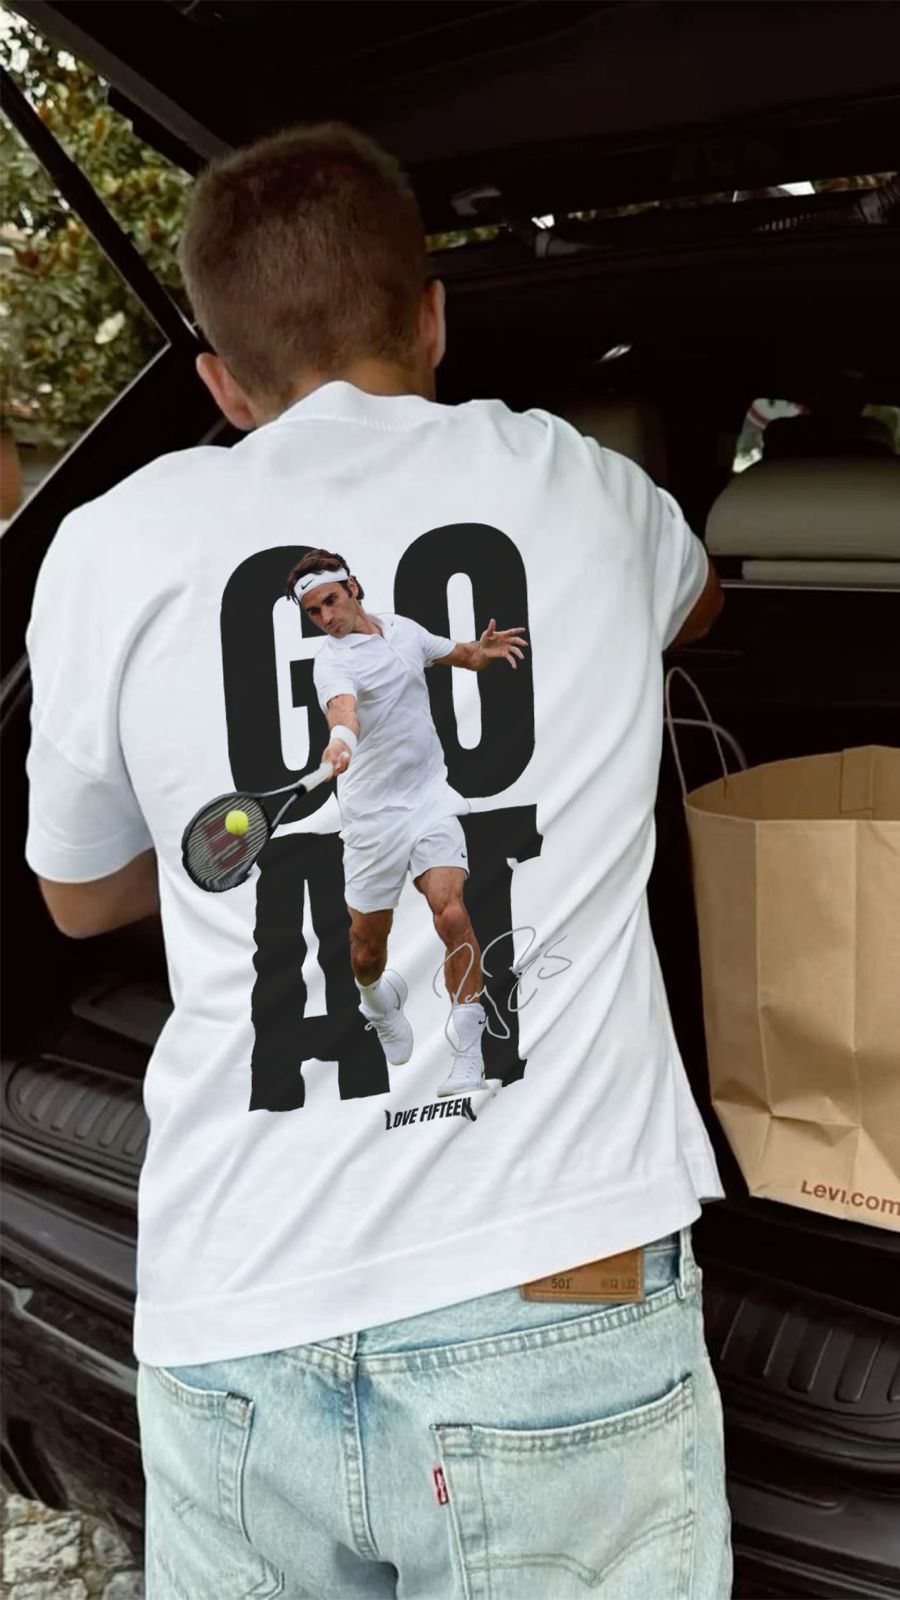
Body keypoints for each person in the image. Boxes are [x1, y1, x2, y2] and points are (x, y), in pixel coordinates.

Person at [23, 122, 732, 1597]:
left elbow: (78, 897)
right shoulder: (589, 488)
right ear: (433, 318)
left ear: (219, 385)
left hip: (236, 1305)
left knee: (430, 912)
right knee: (404, 922)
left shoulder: (106, 542)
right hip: (558, 1287)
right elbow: (703, 605)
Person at [288, 549, 527, 1100]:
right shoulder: (332, 664)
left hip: (428, 798)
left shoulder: (404, 630)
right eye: (314, 611)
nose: (326, 617)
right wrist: (339, 741)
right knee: (366, 950)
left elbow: (462, 655)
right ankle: (377, 1003)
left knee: (453, 915)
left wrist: (482, 652)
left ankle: (468, 1057)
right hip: (372, 821)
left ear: (353, 587)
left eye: (331, 600)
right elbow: (342, 711)